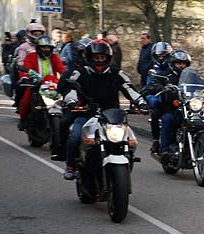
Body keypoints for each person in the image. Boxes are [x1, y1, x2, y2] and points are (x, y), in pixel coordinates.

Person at [57, 40, 146, 180]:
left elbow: (129, 88)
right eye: (96, 58)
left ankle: (127, 158)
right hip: (86, 114)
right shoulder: (80, 73)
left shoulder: (117, 73)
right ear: (89, 58)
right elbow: (71, 89)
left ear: (108, 58)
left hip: (113, 117)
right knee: (74, 137)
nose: (99, 61)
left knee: (130, 140)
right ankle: (70, 166)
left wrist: (141, 103)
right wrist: (72, 102)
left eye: (102, 58)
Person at [144, 49, 192, 156]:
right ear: (172, 64)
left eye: (184, 63)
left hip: (189, 108)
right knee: (167, 119)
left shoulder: (191, 76)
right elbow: (154, 84)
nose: (181, 66)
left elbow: (199, 84)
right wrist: (160, 88)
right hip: (171, 108)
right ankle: (164, 149)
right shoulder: (164, 75)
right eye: (178, 63)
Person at [18, 36, 66, 128]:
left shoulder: (54, 57)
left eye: (48, 47)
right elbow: (26, 69)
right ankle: (23, 120)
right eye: (44, 47)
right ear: (38, 48)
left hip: (52, 85)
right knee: (26, 101)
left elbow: (61, 69)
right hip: (36, 84)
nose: (46, 50)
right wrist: (25, 77)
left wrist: (67, 76)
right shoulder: (31, 56)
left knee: (66, 101)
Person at [143, 41, 173, 153]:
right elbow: (148, 89)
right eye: (159, 56)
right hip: (162, 101)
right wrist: (155, 101)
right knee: (155, 114)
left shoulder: (174, 68)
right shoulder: (153, 71)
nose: (161, 58)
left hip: (176, 100)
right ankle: (156, 141)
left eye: (164, 56)